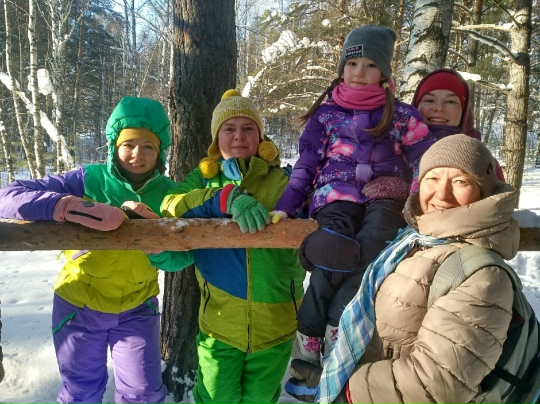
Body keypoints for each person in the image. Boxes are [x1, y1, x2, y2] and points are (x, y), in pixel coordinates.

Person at [289, 134, 536, 404]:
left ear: (484, 192)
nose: (441, 194)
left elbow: (437, 384)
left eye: (460, 181)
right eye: (433, 178)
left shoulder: (481, 275)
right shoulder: (415, 241)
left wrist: (344, 390)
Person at [0, 96, 194, 403]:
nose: (137, 154)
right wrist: (68, 206)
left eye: (148, 146)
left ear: (160, 151)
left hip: (137, 308)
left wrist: (154, 243)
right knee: (81, 392)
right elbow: (8, 195)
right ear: (114, 145)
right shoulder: (87, 179)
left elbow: (182, 257)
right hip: (78, 304)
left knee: (143, 393)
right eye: (128, 144)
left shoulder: (172, 194)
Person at [270, 25, 437, 371]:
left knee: (373, 247)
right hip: (336, 194)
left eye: (371, 65)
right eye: (352, 63)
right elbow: (307, 163)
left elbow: (426, 158)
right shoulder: (326, 115)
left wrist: (417, 197)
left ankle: (339, 323)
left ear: (384, 74)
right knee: (334, 250)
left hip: (385, 195)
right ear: (342, 68)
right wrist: (288, 205)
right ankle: (309, 336)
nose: (359, 72)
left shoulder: (401, 115)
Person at [150, 89, 306, 404]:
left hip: (277, 324)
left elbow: (320, 210)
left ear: (261, 137)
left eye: (248, 128)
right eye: (229, 128)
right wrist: (223, 198)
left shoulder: (286, 182)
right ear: (216, 138)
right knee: (216, 397)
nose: (239, 136)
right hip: (219, 326)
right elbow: (170, 205)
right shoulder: (202, 181)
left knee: (260, 399)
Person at [412, 68, 505, 181]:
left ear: (464, 110)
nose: (439, 108)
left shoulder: (483, 163)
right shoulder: (394, 152)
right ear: (415, 106)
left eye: (450, 102)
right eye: (429, 100)